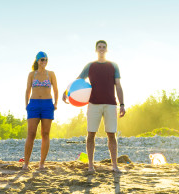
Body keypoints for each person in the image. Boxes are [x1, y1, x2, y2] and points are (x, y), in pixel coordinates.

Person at [63, 40, 125, 172]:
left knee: (112, 135)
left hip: (110, 104)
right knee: (91, 134)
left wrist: (122, 104)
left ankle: (114, 166)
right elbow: (78, 80)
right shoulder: (90, 66)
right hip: (93, 104)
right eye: (99, 47)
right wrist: (66, 92)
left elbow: (118, 86)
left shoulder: (113, 66)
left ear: (106, 50)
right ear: (96, 50)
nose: (101, 49)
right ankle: (90, 166)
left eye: (103, 47)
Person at [23, 51, 58, 170]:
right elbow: (27, 90)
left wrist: (55, 103)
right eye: (42, 59)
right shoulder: (32, 74)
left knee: (45, 134)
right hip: (34, 104)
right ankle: (26, 163)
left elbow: (56, 90)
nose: (44, 62)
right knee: (31, 133)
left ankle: (41, 163)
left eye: (46, 60)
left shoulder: (51, 74)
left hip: (47, 104)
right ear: (37, 61)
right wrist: (26, 104)